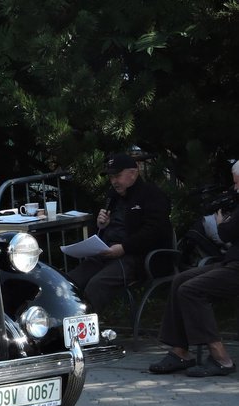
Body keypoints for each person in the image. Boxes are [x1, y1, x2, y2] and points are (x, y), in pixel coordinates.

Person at [149, 161, 239, 377]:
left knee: (191, 289)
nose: (235, 189)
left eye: (237, 184)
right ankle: (180, 351)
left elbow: (227, 232)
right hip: (231, 263)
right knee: (181, 280)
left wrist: (221, 222)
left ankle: (221, 357)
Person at [66, 153, 173, 313]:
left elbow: (154, 231)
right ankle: (61, 327)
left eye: (118, 176)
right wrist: (101, 226)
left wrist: (124, 247)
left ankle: (84, 331)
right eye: (111, 177)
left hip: (137, 257)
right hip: (107, 253)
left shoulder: (152, 195)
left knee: (97, 285)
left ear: (133, 173)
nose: (114, 181)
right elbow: (107, 230)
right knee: (69, 282)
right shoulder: (112, 197)